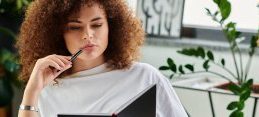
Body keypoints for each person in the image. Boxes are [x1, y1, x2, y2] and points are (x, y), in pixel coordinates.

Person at [17, 0, 188, 117]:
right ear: (58, 33)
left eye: (97, 25)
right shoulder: (47, 87)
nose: (88, 35)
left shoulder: (145, 77)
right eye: (76, 27)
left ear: (111, 27)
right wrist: (32, 91)